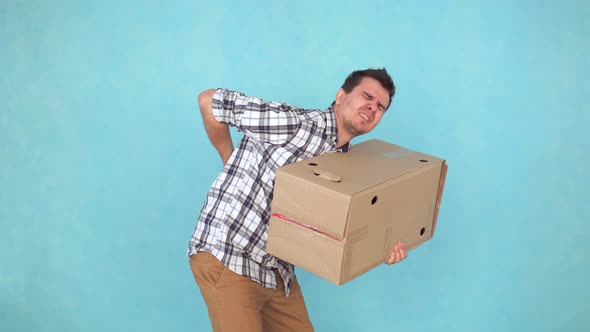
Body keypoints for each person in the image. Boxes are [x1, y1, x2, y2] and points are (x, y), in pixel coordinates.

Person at [188, 68, 408, 332]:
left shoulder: (346, 164)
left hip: (276, 271)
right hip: (230, 253)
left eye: (380, 106)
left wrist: (380, 248)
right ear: (340, 96)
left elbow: (335, 229)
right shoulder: (294, 124)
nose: (372, 107)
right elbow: (209, 101)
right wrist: (228, 159)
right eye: (367, 96)